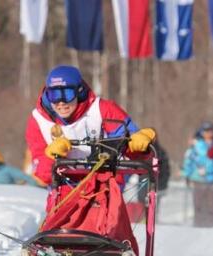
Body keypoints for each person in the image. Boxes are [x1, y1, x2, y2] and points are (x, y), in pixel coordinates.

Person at [25, 65, 155, 187]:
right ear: (47, 95)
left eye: (68, 94)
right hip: (64, 189)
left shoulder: (103, 110)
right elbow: (42, 176)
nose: (61, 103)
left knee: (107, 208)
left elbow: (135, 156)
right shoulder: (39, 121)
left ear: (79, 92)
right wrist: (51, 157)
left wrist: (139, 146)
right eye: (55, 95)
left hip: (105, 185)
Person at [183, 121, 213, 227]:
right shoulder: (196, 145)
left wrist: (208, 170)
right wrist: (187, 174)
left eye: (210, 130)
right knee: (198, 204)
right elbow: (189, 160)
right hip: (198, 179)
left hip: (211, 179)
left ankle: (210, 225)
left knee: (211, 205)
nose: (208, 133)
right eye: (205, 131)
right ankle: (198, 225)